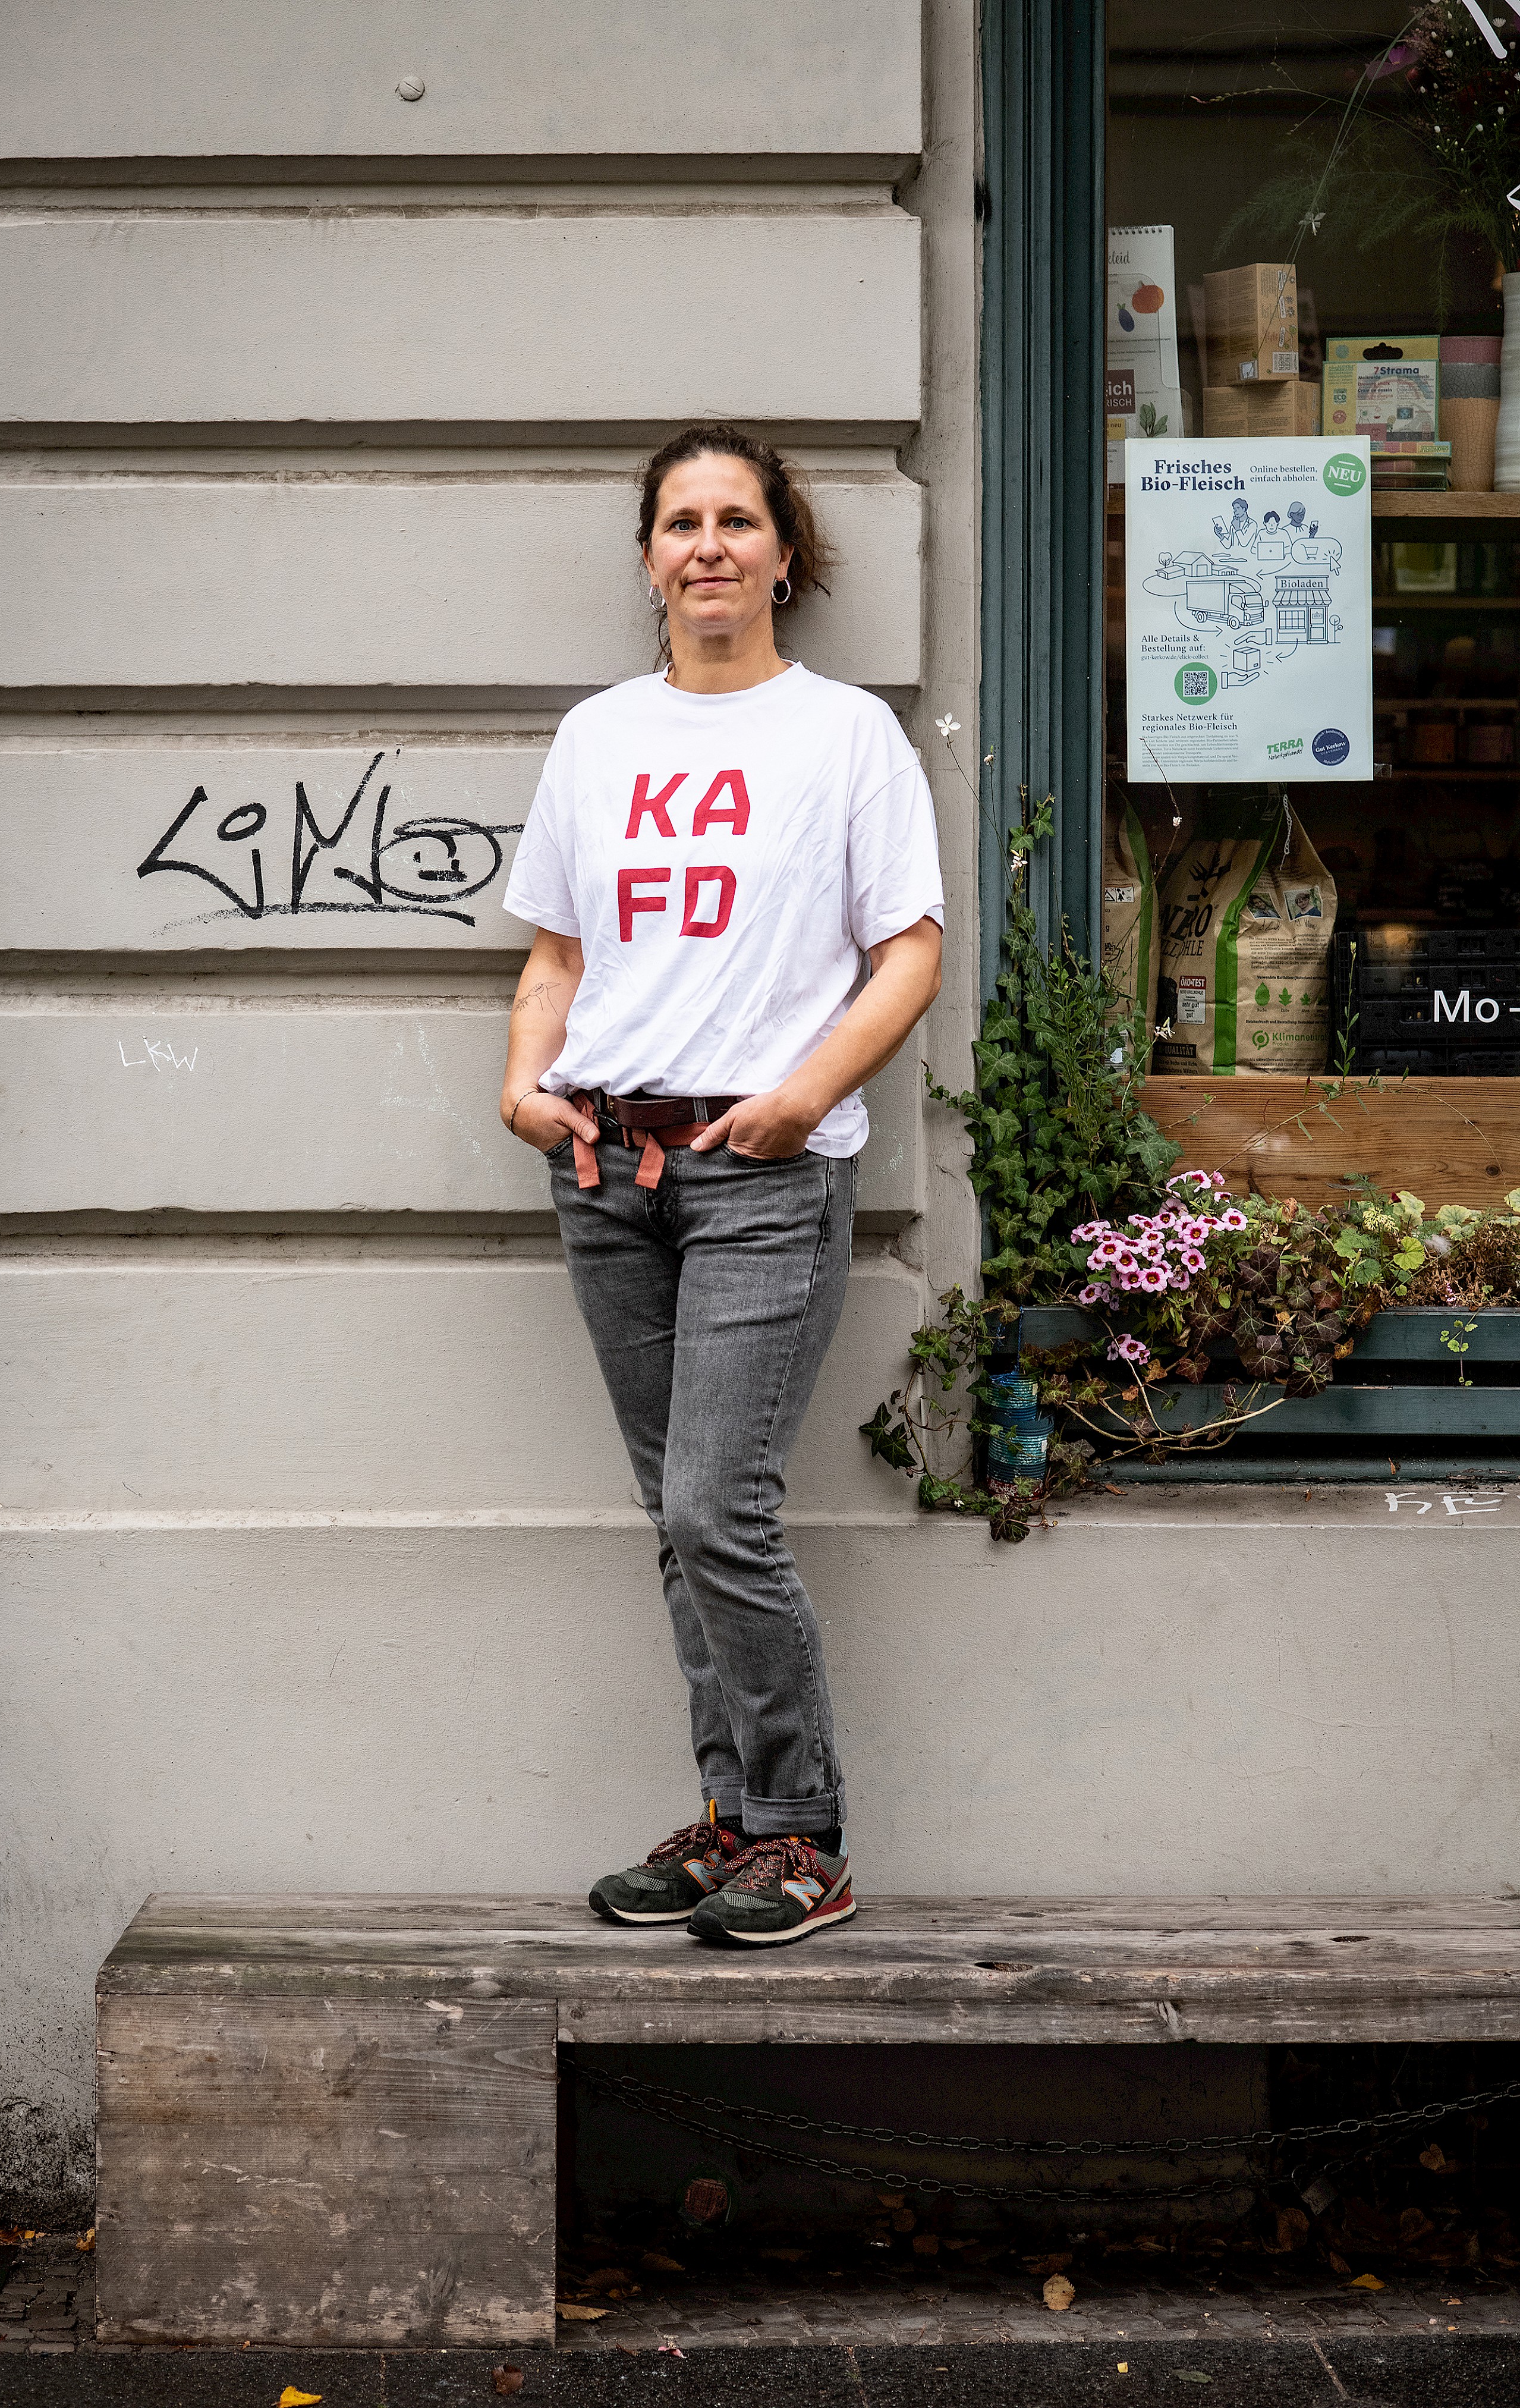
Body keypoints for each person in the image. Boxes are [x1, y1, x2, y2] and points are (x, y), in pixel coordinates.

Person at [498, 425, 944, 1946]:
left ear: (784, 556)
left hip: (760, 1176)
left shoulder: (846, 738)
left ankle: (804, 1834)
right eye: (681, 522)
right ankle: (733, 1821)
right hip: (604, 1167)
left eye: (737, 521)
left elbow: (910, 954)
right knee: (674, 1518)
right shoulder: (598, 739)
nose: (709, 546)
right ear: (649, 558)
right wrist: (522, 1085)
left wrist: (803, 1099)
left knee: (715, 1508)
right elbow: (557, 954)